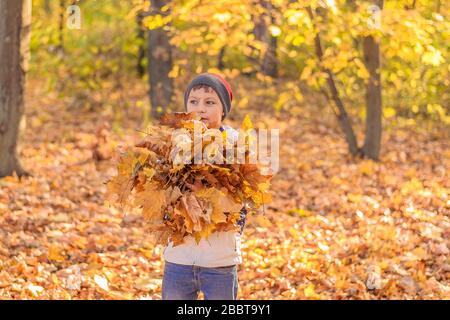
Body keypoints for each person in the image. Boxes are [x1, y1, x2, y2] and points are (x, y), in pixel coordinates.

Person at [161, 72, 247, 300]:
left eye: (210, 103)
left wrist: (207, 194)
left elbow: (240, 203)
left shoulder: (235, 147)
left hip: (219, 259)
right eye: (194, 102)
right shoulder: (172, 142)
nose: (200, 109)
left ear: (223, 110)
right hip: (179, 256)